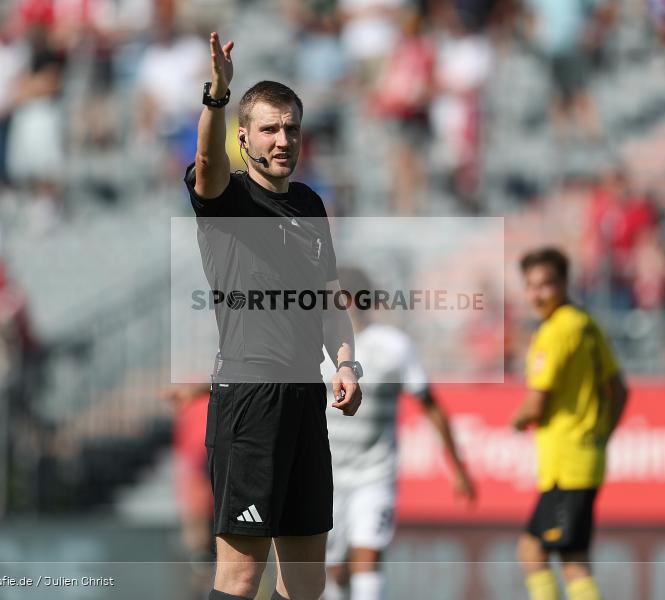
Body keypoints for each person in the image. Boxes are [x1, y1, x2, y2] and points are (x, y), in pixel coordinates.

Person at [183, 32, 363, 600]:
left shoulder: (310, 204)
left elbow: (330, 300)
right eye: (269, 128)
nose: (283, 139)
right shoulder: (228, 200)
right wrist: (217, 94)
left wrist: (345, 362)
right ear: (245, 137)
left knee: (307, 582)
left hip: (305, 397)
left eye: (291, 128)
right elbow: (207, 162)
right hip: (250, 399)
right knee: (240, 578)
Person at [322, 266, 476, 600]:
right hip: (325, 475)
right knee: (334, 569)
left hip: (374, 474)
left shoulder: (393, 346)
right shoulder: (316, 347)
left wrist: (458, 467)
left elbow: (430, 405)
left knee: (368, 557)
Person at [511, 248, 628, 600]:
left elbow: (536, 402)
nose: (537, 295)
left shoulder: (556, 331)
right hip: (585, 458)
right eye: (530, 286)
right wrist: (601, 434)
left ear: (564, 283)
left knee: (533, 553)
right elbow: (620, 390)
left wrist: (517, 420)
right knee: (574, 557)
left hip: (566, 463)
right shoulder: (586, 323)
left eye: (545, 285)